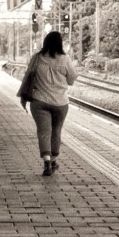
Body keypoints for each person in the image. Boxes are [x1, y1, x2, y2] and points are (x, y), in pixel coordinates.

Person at [18, 31, 78, 176]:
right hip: (60, 102)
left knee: (43, 132)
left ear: (45, 42)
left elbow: (27, 77)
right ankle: (53, 160)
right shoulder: (65, 59)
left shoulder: (37, 58)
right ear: (60, 43)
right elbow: (71, 80)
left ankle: (46, 162)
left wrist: (23, 96)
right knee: (56, 131)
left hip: (39, 101)